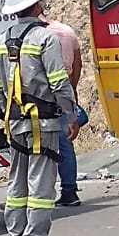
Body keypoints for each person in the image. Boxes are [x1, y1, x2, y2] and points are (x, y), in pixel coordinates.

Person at [0, 0, 78, 236]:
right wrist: (71, 115)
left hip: (15, 122)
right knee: (41, 185)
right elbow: (59, 83)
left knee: (17, 184)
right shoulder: (45, 38)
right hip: (44, 122)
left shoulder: (1, 41)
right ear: (37, 4)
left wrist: (9, 115)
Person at [42, 15, 86, 207]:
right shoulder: (67, 31)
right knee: (65, 142)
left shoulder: (38, 35)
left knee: (40, 146)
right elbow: (77, 65)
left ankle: (42, 193)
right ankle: (69, 190)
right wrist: (72, 91)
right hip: (64, 89)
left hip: (43, 94)